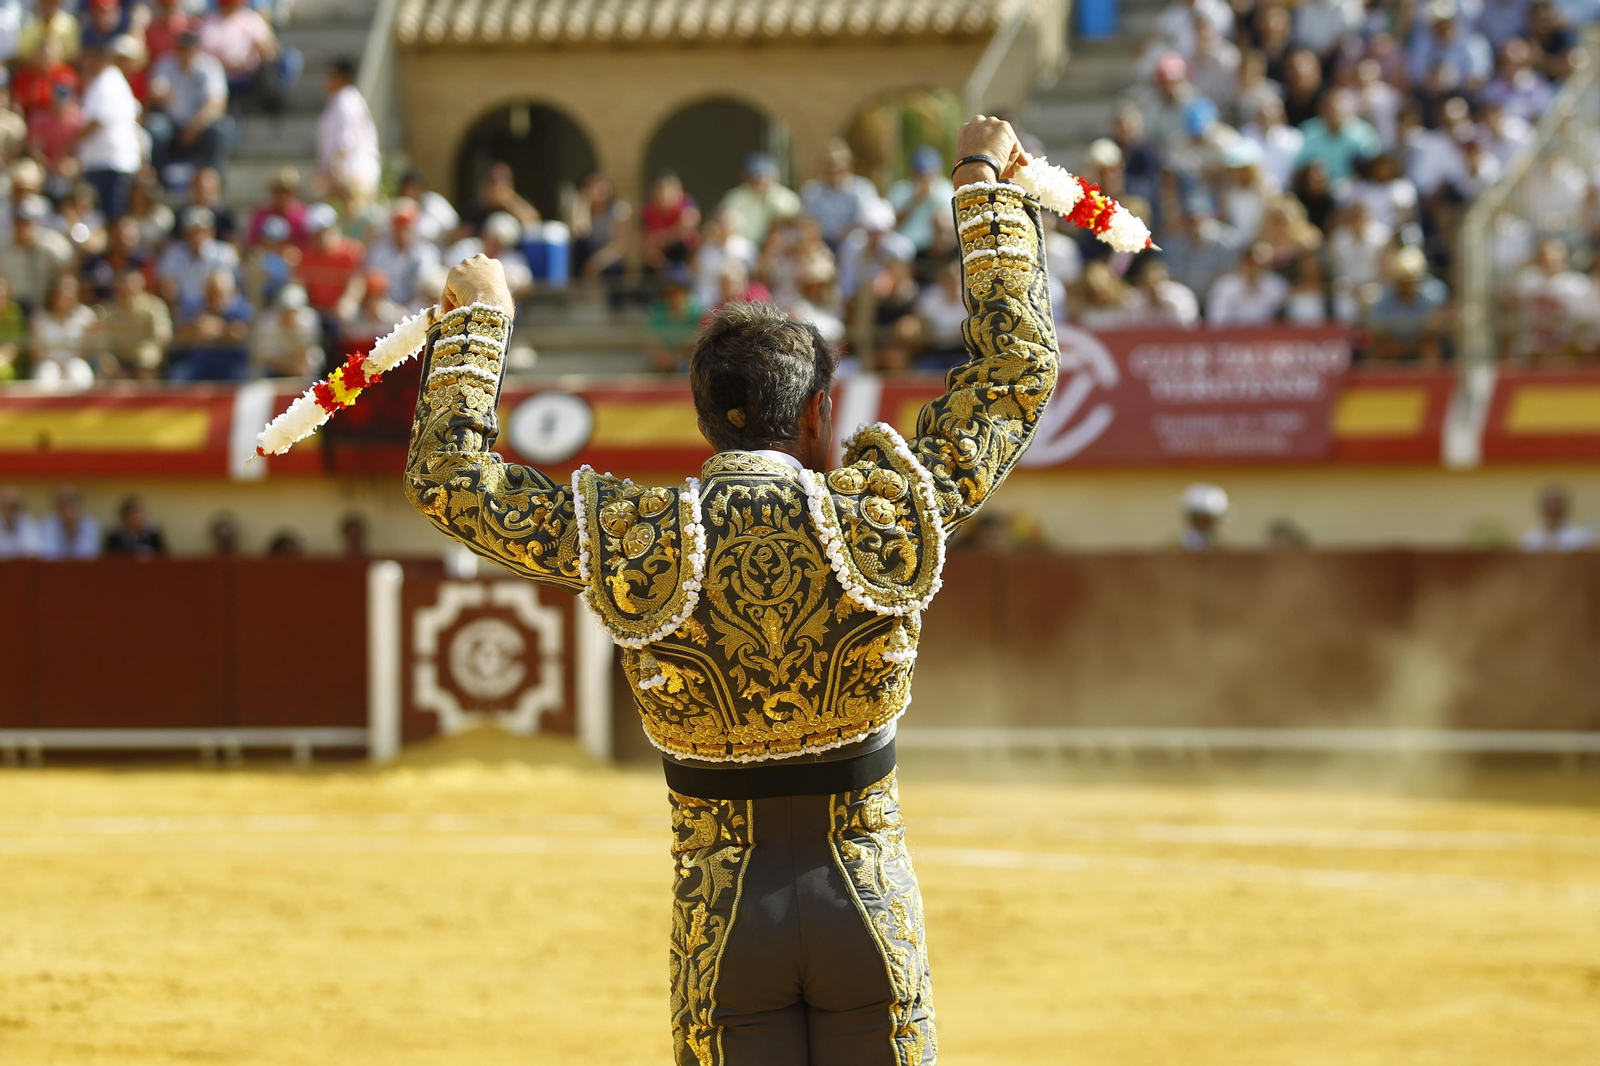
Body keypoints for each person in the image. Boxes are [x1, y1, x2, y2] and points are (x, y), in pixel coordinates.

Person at [403, 115, 1056, 1063]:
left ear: (706, 417)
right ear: (820, 414)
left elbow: (452, 483)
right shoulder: (881, 520)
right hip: (867, 900)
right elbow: (1014, 376)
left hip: (724, 914)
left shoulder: (639, 541)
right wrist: (982, 185)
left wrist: (478, 321)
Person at [146, 30, 230, 181]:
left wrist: (194, 126)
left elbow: (217, 104)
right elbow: (156, 90)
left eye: (189, 49)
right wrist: (160, 94)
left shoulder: (210, 66)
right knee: (155, 127)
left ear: (197, 50)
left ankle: (213, 181)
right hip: (173, 123)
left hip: (199, 125)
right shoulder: (165, 63)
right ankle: (158, 180)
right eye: (182, 48)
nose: (186, 53)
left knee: (220, 128)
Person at [75, 40, 143, 221]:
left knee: (109, 219)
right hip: (111, 162)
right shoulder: (116, 82)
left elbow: (98, 121)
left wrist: (70, 145)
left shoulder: (107, 80)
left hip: (108, 164)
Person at [170, 268, 252, 380]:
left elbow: (239, 333)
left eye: (219, 293)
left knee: (248, 376)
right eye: (210, 292)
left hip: (232, 365)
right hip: (200, 366)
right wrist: (223, 330)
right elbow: (182, 335)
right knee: (178, 375)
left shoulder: (241, 308)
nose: (215, 297)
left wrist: (214, 328)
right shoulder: (195, 307)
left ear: (231, 292)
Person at [316, 58, 378, 200]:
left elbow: (344, 142)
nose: (326, 80)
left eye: (331, 75)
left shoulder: (345, 102)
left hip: (352, 173)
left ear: (342, 77)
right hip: (350, 171)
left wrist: (334, 173)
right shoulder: (343, 100)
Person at [800, 139, 878, 248]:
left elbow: (867, 220)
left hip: (851, 242)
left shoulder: (862, 188)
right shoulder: (812, 190)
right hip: (820, 242)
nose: (834, 175)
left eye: (839, 170)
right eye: (829, 170)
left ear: (849, 168)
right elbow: (806, 221)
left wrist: (846, 231)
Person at [95, 269, 172, 379]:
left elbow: (163, 336)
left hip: (145, 360)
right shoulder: (107, 311)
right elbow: (102, 342)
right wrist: (108, 358)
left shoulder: (154, 307)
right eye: (123, 287)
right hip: (119, 360)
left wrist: (145, 354)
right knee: (106, 369)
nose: (127, 291)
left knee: (145, 367)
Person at [364, 198, 441, 308]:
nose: (402, 233)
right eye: (398, 227)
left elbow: (426, 288)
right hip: (385, 306)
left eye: (406, 228)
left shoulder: (427, 253)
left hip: (416, 308)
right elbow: (372, 284)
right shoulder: (378, 251)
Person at [157, 205, 239, 307]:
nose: (196, 236)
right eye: (192, 231)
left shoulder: (224, 252)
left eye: (201, 231)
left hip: (218, 309)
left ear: (211, 231)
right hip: (183, 310)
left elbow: (229, 290)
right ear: (185, 233)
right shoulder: (173, 252)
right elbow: (166, 284)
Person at [717, 152, 799, 248]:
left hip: (778, 251)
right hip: (744, 250)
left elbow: (797, 224)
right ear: (747, 177)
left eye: (767, 176)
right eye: (757, 176)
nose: (762, 180)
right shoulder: (735, 198)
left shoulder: (787, 198)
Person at [30, 274, 97, 386]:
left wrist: (67, 366)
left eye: (71, 291)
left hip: (75, 363)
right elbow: (35, 353)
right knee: (47, 375)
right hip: (47, 365)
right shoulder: (39, 318)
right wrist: (58, 367)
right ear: (53, 294)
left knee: (78, 372)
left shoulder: (85, 316)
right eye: (63, 291)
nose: (67, 295)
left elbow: (89, 349)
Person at [250, 283, 321, 378]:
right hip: (274, 370)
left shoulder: (309, 320)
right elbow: (267, 358)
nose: (289, 314)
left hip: (302, 366)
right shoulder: (267, 322)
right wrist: (292, 369)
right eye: (285, 310)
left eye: (293, 311)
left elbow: (308, 351)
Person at [644, 263, 702, 372]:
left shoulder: (697, 309)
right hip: (661, 364)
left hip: (690, 363)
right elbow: (651, 338)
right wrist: (662, 357)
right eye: (670, 292)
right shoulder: (658, 309)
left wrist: (679, 357)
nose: (674, 296)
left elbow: (698, 339)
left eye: (677, 290)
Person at [1521, 485, 1596, 551]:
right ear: (1542, 509)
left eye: (1557, 509)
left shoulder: (1582, 538)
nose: (1553, 509)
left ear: (1564, 508)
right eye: (1550, 509)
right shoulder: (1531, 540)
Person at [38, 486, 99, 559]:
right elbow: (49, 556)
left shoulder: (91, 526)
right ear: (56, 507)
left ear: (79, 505)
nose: (67, 509)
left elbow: (89, 556)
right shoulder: (47, 524)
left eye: (71, 503)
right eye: (62, 505)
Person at [1180, 482, 1229, 550]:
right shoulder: (1174, 548)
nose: (1202, 523)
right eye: (1198, 518)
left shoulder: (1223, 549)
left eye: (1207, 519)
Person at [0, 486, 42, 558]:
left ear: (21, 507)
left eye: (14, 507)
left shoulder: (31, 525)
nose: (10, 511)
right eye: (6, 507)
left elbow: (33, 554)